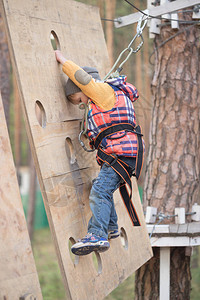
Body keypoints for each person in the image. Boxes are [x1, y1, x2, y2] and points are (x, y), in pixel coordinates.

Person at [55, 50, 144, 256]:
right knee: (100, 187)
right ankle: (111, 227)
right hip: (124, 154)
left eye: (79, 100)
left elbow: (83, 80)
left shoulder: (102, 92)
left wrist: (64, 61)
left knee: (99, 192)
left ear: (84, 89)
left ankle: (97, 234)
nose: (82, 104)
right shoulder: (106, 100)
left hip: (121, 155)